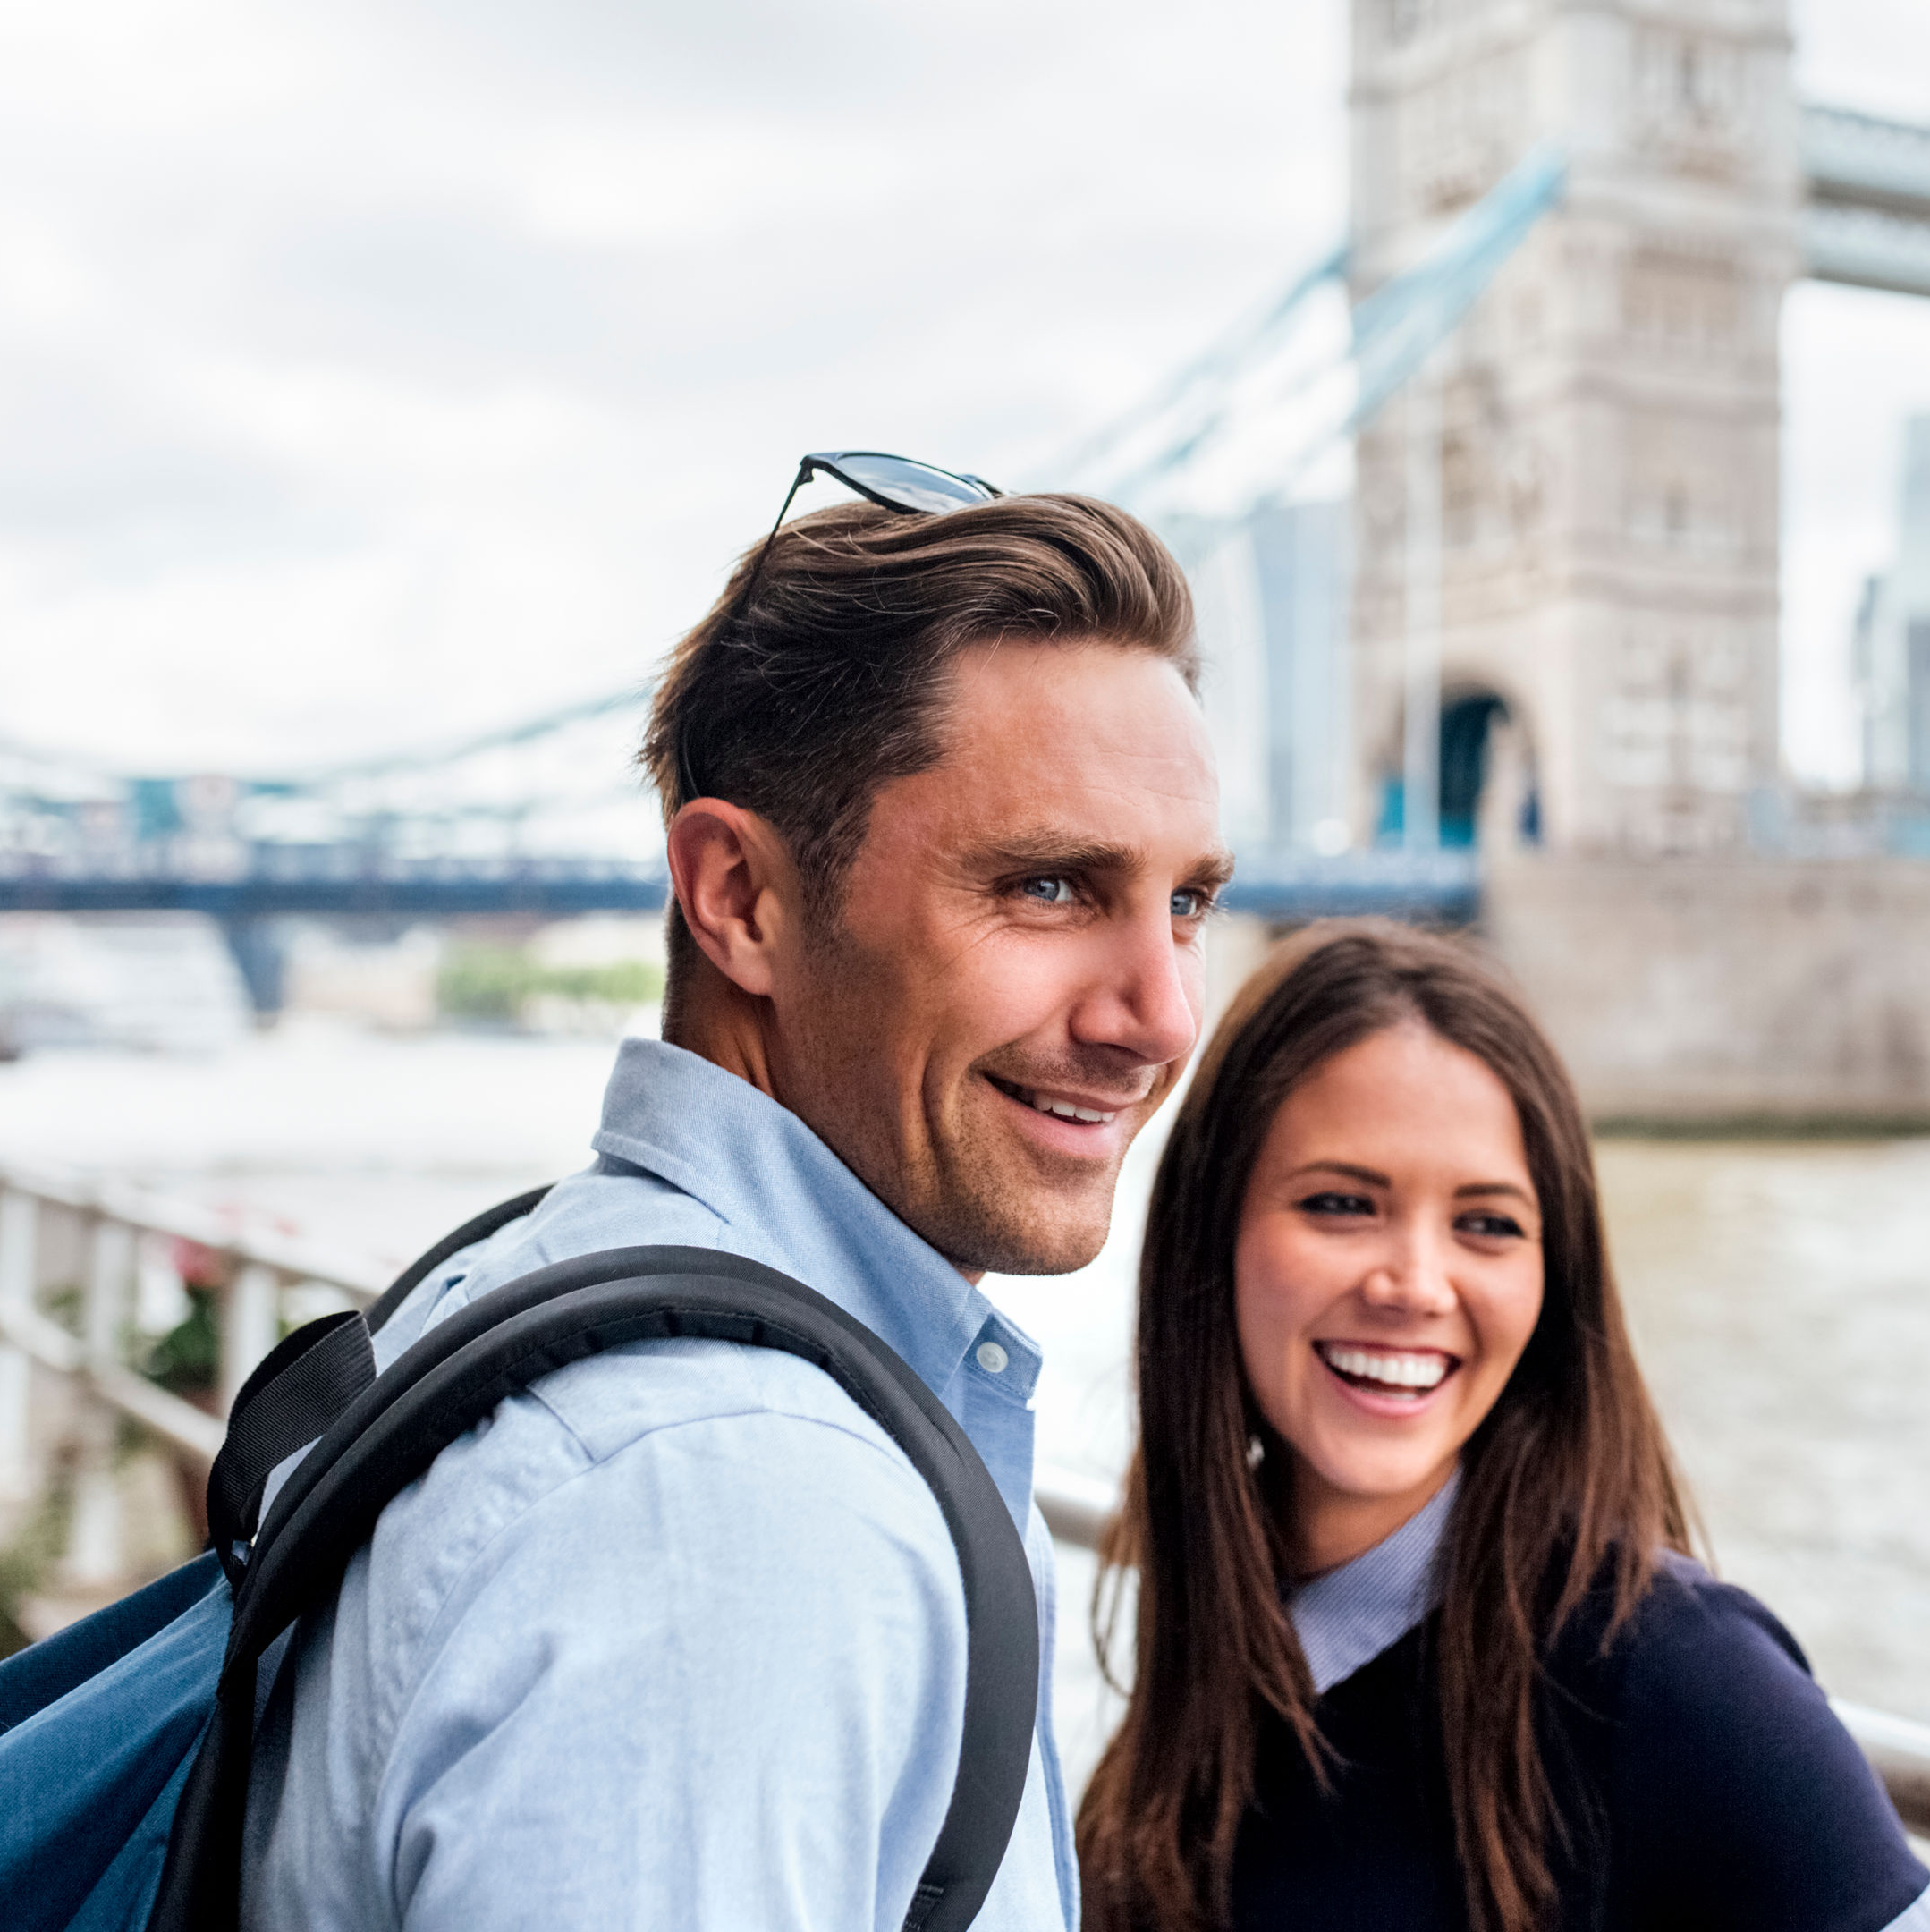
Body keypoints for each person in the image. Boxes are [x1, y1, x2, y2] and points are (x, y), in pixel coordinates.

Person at [248, 460, 1230, 1928]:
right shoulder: (737, 1510)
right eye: (1048, 888)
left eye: (1189, 904)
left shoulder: (527, 1284)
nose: (1160, 1017)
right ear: (743, 901)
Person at [1077, 922, 1930, 1932]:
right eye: (1341, 1203)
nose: (1413, 1284)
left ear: (1553, 1278)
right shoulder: (1220, 1633)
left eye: (1487, 1223)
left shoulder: (1679, 1676)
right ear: (1209, 1230)